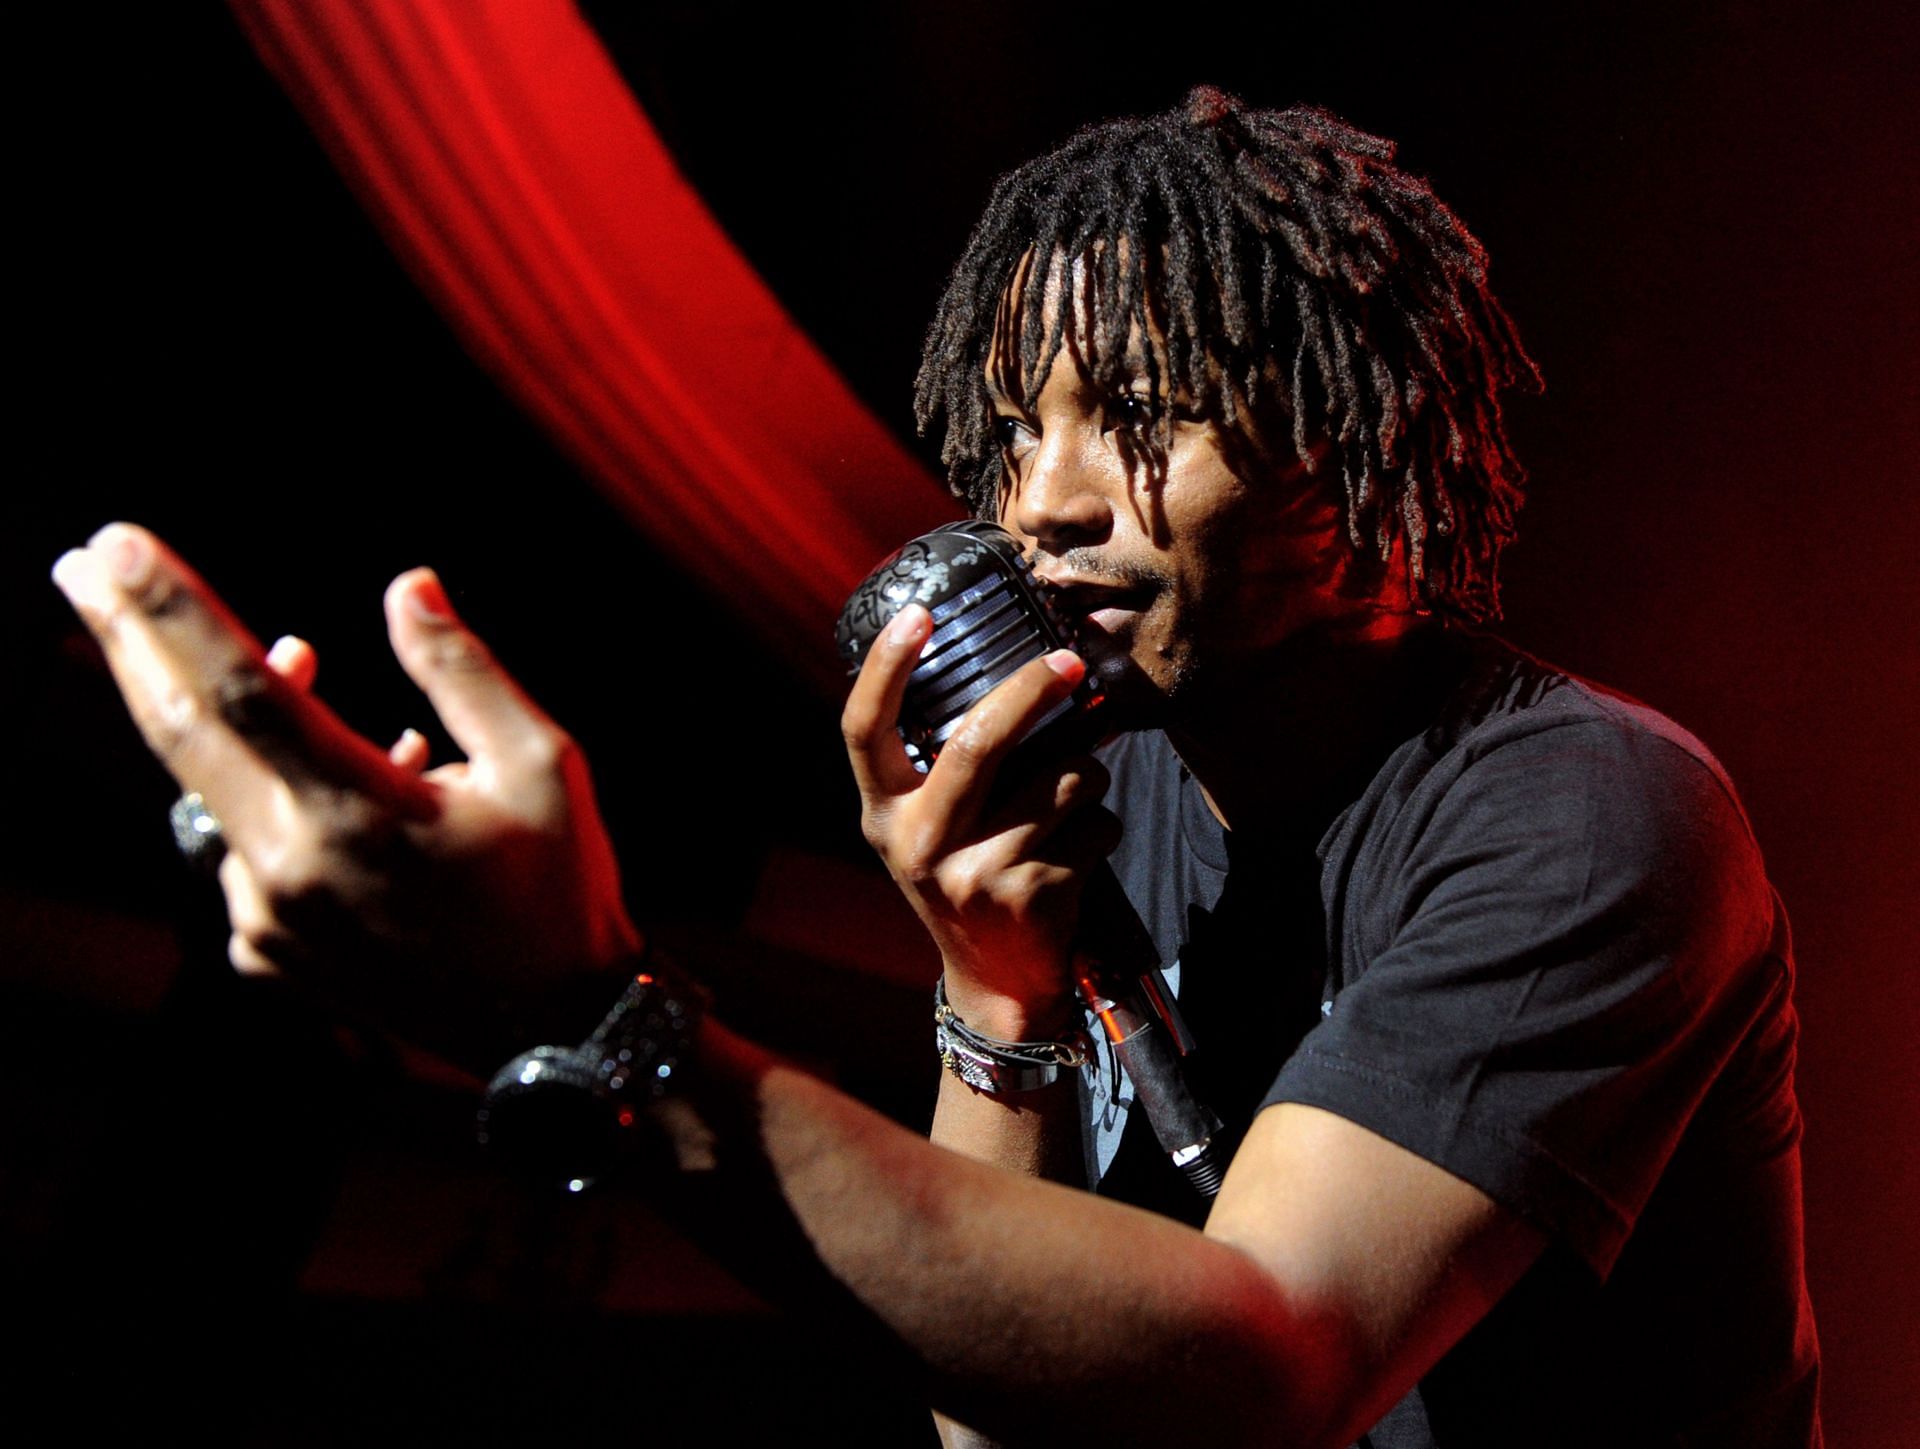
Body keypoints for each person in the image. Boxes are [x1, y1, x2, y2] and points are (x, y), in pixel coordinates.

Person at [51, 89, 1819, 1446]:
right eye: (1014, 428)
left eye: (1135, 416)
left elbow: (1264, 1362)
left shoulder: (1582, 811)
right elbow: (1002, 1411)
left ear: (1350, 477)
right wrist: (995, 993)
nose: (1038, 501)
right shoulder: (1103, 789)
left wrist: (592, 1012)